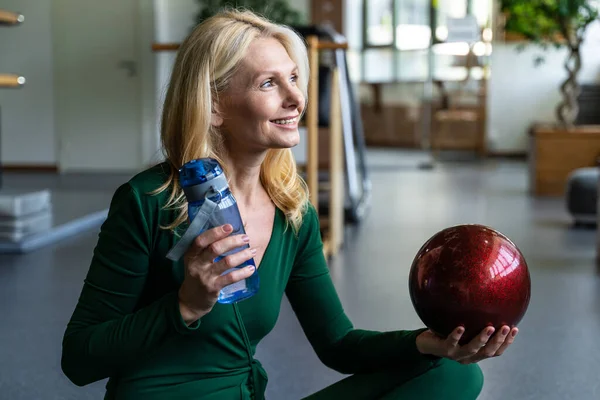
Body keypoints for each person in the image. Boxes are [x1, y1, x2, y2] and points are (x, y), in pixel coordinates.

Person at [61, 9, 518, 400]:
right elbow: (79, 358)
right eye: (268, 83)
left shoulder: (290, 210)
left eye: (294, 78)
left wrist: (431, 342)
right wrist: (183, 306)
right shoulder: (148, 202)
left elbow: (338, 343)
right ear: (214, 105)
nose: (296, 98)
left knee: (453, 375)